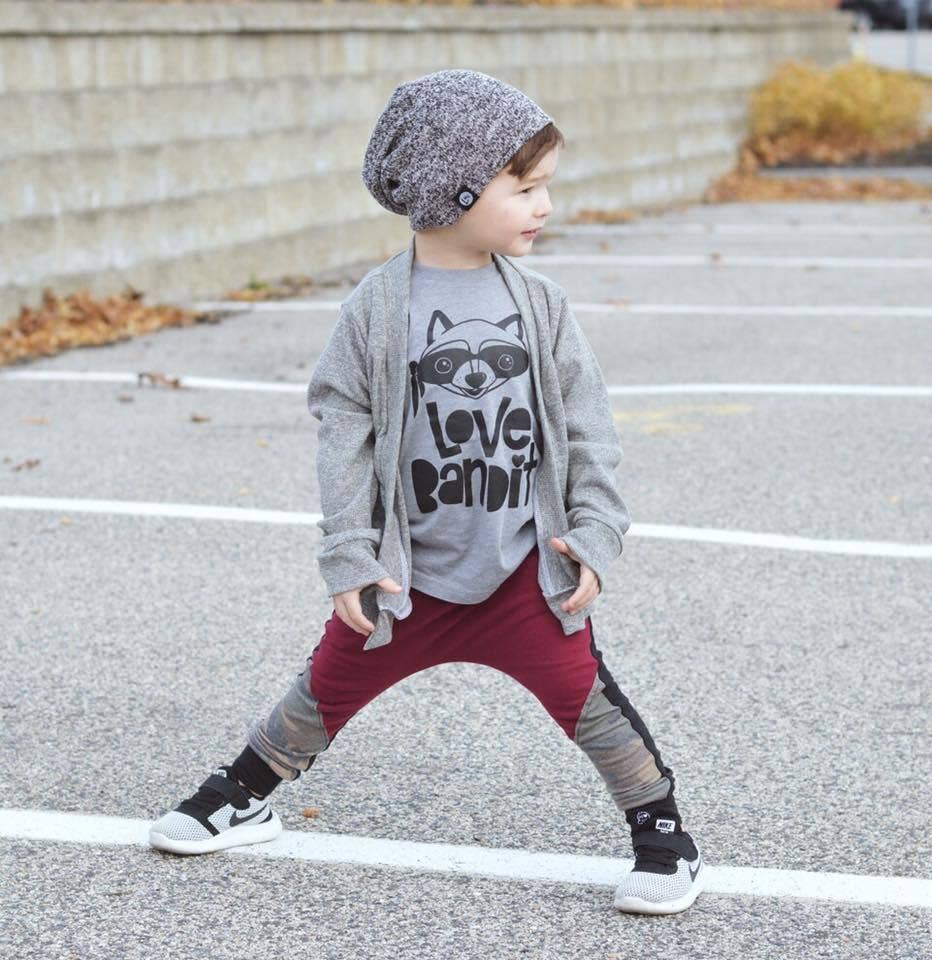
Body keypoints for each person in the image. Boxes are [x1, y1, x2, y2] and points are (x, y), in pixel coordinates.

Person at [148, 69, 704, 916]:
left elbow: (590, 427)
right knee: (324, 690)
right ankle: (244, 793)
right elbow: (343, 433)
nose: (545, 205)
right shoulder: (376, 310)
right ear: (457, 190)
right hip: (408, 577)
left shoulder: (542, 306)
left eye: (544, 186)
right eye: (526, 188)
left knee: (589, 706)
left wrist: (596, 534)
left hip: (524, 571)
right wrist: (349, 553)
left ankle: (662, 834)